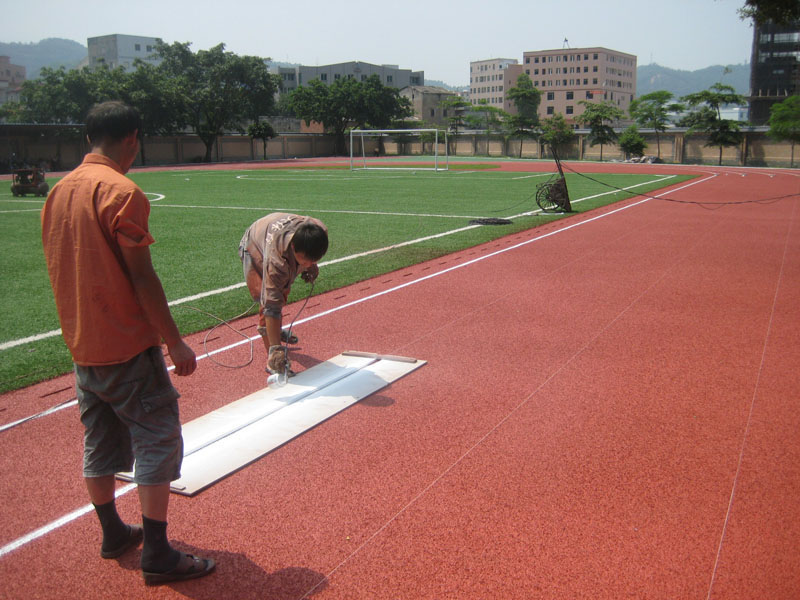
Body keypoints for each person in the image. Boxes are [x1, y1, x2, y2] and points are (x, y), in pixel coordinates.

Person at [40, 101, 215, 586]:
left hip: (82, 346)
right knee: (157, 434)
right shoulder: (122, 192)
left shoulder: (58, 192)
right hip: (126, 345)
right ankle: (157, 552)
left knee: (98, 439)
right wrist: (174, 342)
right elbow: (142, 277)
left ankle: (113, 532)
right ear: (133, 138)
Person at [238, 213, 328, 374]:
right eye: (304, 260)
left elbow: (308, 254)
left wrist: (310, 265)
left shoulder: (319, 231)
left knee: (284, 289)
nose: (308, 264)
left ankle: (275, 330)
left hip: (277, 235)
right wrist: (276, 349)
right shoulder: (276, 262)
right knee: (265, 301)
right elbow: (271, 306)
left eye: (313, 260)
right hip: (254, 247)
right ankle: (273, 359)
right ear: (293, 248)